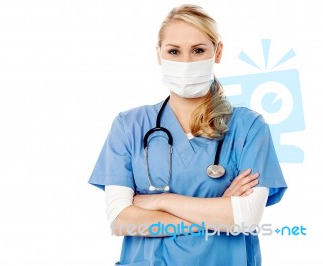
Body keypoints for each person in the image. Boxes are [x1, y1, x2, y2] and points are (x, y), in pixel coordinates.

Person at [88, 4, 287, 266]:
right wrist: (218, 213)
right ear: (159, 54)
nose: (186, 62)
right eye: (174, 51)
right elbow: (120, 220)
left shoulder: (249, 127)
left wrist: (159, 201)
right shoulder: (129, 126)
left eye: (198, 50)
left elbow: (246, 217)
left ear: (218, 52)